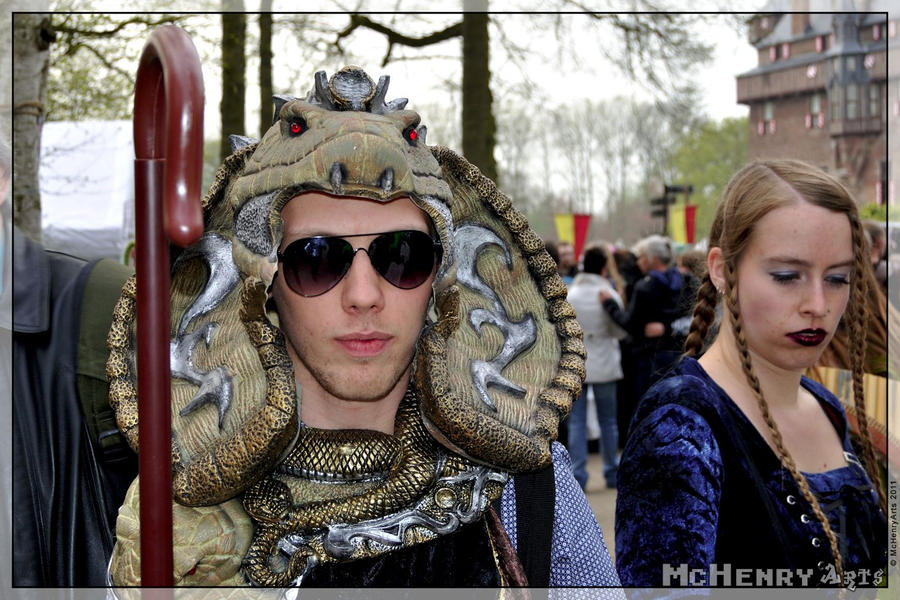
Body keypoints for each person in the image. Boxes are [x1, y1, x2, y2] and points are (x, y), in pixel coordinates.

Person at [106, 66, 621, 589]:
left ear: (444, 276)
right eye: (317, 259)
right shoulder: (175, 526)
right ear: (261, 283)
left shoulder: (528, 493)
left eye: (402, 256)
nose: (364, 296)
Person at [614, 159, 887, 588]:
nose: (818, 303)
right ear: (723, 270)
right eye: (786, 276)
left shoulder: (827, 406)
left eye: (838, 278)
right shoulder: (681, 427)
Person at [599, 235, 684, 438]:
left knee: (648, 407)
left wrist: (609, 305)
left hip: (649, 358)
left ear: (652, 258)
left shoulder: (646, 287)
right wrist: (669, 328)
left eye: (642, 257)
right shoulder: (683, 280)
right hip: (677, 353)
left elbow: (630, 323)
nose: (638, 262)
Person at [565, 243, 626, 490]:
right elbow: (619, 330)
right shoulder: (609, 295)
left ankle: (579, 473)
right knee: (608, 420)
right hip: (605, 359)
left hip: (577, 361)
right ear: (603, 267)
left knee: (577, 421)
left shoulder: (571, 294)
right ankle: (611, 470)